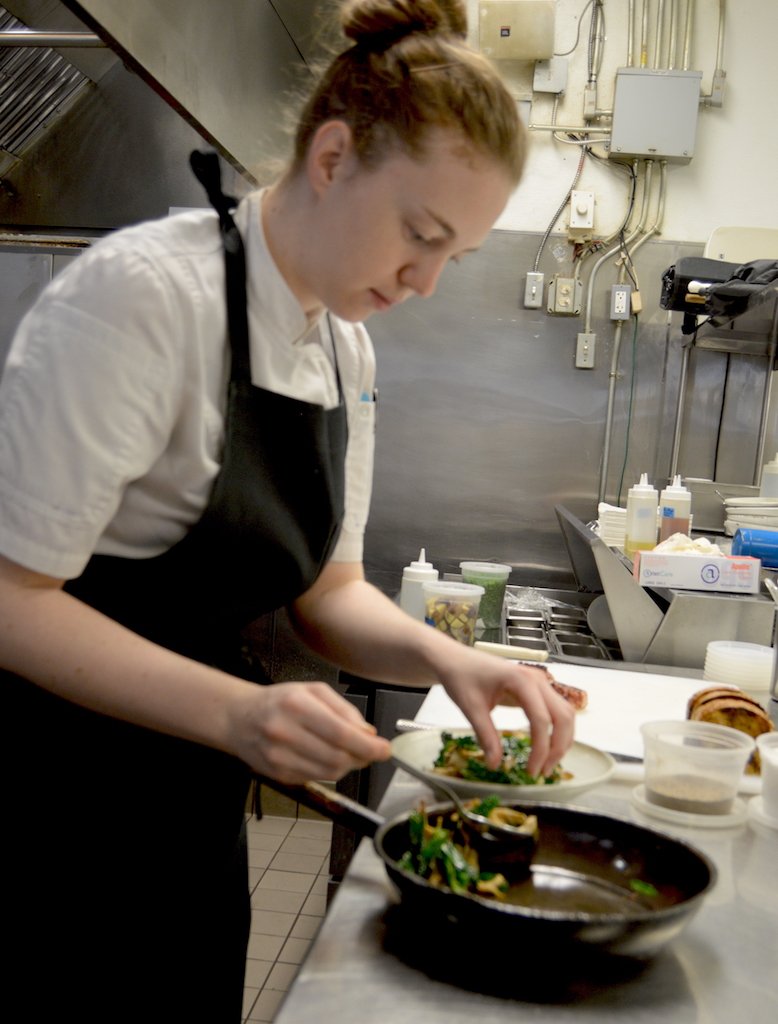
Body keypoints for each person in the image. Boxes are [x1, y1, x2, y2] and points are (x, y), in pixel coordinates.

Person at [0, 1, 575, 1019]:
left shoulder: (342, 349)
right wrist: (237, 711)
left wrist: (454, 661)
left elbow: (328, 596)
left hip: (185, 823)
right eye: (419, 233)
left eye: (456, 256)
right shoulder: (141, 302)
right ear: (333, 154)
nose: (426, 282)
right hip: (44, 812)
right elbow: (12, 597)